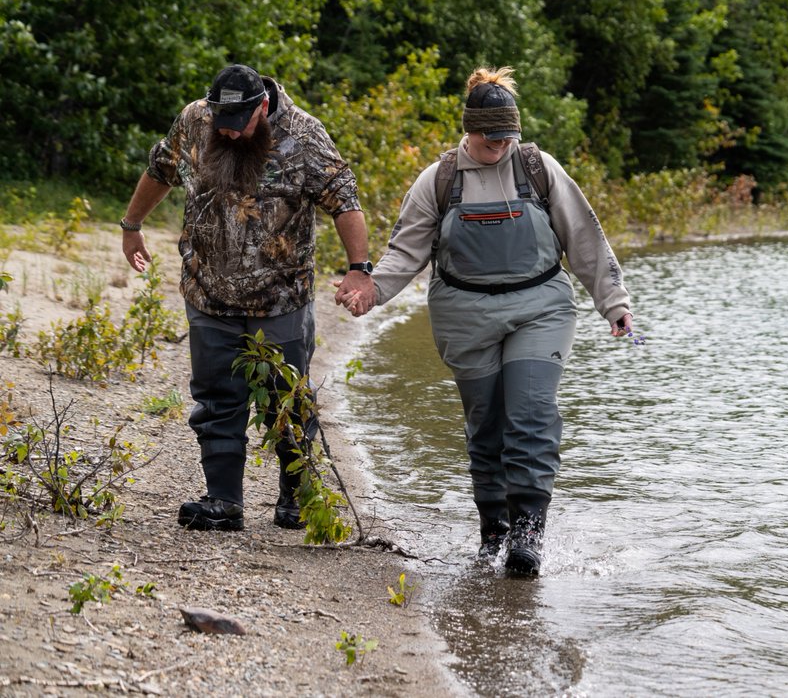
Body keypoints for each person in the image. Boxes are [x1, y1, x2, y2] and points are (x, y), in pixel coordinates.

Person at [338, 66, 633, 576]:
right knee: (486, 426)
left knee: (531, 411)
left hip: (539, 306)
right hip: (463, 312)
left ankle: (529, 532)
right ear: (469, 130)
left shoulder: (539, 169)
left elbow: (585, 238)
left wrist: (615, 304)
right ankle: (493, 528)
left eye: (507, 138)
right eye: (490, 138)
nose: (500, 147)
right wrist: (372, 289)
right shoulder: (440, 179)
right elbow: (406, 251)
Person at [120, 63, 373, 532]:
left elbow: (345, 198)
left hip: (280, 301)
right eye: (223, 122)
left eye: (240, 124)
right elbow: (161, 168)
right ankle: (223, 501)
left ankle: (296, 498)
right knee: (217, 401)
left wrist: (359, 270)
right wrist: (132, 226)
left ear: (262, 107)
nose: (230, 134)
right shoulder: (196, 119)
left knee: (289, 402)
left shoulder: (304, 136)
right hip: (208, 292)